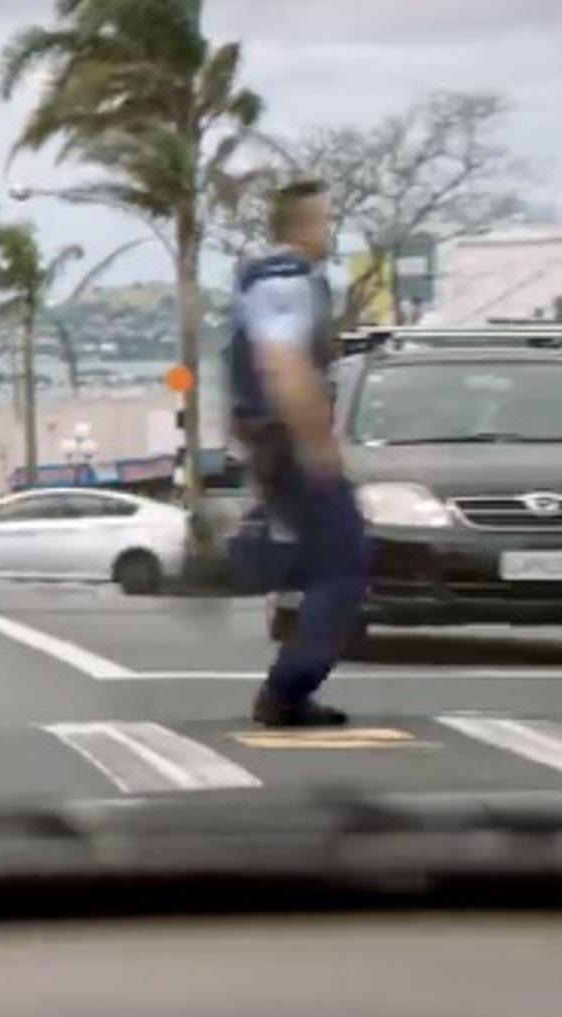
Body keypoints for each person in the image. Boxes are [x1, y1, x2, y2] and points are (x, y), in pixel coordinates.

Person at [227, 179, 365, 728]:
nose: (329, 232)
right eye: (324, 220)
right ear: (303, 225)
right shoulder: (285, 278)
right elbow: (283, 363)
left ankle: (289, 688)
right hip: (290, 439)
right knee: (344, 566)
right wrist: (318, 445)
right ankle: (287, 691)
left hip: (276, 439)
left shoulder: (279, 277)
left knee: (324, 562)